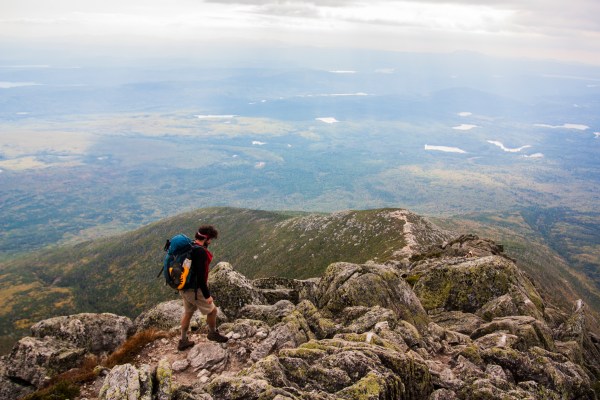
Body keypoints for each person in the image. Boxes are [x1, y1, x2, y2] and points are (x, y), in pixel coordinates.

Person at [178, 225, 228, 351]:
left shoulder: (191, 246)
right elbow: (201, 278)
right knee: (212, 311)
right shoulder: (200, 252)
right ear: (206, 238)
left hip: (183, 285)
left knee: (188, 313)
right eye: (210, 239)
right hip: (194, 289)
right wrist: (207, 296)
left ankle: (183, 341)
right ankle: (212, 333)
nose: (210, 241)